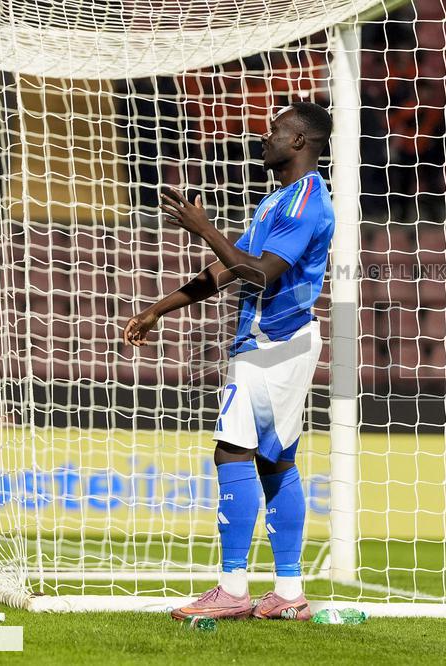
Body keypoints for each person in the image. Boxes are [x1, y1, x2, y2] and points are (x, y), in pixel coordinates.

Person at [123, 102, 335, 621]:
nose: (266, 137)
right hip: (276, 346)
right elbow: (225, 270)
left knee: (232, 452)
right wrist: (157, 309)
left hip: (274, 346)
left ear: (300, 142)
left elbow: (260, 274)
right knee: (275, 461)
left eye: (276, 131)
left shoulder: (309, 200)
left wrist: (203, 226)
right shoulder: (277, 201)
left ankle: (233, 588)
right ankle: (288, 593)